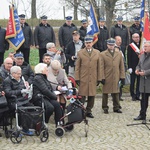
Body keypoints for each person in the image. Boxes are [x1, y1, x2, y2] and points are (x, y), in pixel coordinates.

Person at [75, 36, 101, 118]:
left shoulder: (97, 52)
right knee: (82, 95)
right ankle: (81, 110)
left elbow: (99, 67)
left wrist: (99, 78)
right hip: (84, 77)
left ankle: (89, 110)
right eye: (86, 43)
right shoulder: (80, 53)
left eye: (89, 43)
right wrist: (77, 78)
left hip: (93, 77)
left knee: (92, 95)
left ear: (92, 43)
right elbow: (77, 67)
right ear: (84, 43)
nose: (88, 44)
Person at [3, 66, 34, 135]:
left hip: (22, 100)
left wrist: (27, 89)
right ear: (13, 74)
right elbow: (8, 93)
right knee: (22, 110)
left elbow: (22, 88)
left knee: (32, 108)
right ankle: (23, 128)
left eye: (20, 74)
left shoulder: (21, 79)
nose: (20, 75)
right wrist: (20, 91)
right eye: (18, 74)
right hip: (12, 101)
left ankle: (30, 126)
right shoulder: (7, 81)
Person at [100, 38, 125, 114]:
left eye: (112, 45)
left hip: (116, 75)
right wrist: (102, 77)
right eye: (110, 45)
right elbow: (101, 67)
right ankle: (105, 107)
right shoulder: (103, 54)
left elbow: (121, 66)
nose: (111, 46)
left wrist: (122, 76)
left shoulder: (119, 54)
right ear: (107, 45)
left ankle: (116, 107)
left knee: (116, 92)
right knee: (105, 92)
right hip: (107, 75)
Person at [134, 41, 150, 120]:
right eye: (144, 46)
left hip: (149, 80)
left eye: (146, 46)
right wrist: (137, 70)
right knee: (143, 100)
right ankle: (142, 114)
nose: (145, 48)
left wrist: (145, 72)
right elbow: (138, 65)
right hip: (143, 82)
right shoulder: (142, 56)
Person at [127, 33, 140, 101]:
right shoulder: (130, 46)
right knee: (132, 82)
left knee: (139, 82)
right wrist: (129, 67)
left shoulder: (141, 45)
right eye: (135, 37)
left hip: (140, 67)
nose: (137, 38)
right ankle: (132, 95)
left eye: (138, 37)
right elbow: (129, 57)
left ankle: (138, 94)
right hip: (133, 66)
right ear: (132, 38)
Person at [115, 36, 127, 101]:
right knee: (117, 83)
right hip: (117, 69)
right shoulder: (114, 48)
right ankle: (116, 96)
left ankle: (119, 96)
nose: (120, 41)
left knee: (121, 83)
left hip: (122, 68)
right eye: (118, 40)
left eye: (120, 40)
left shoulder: (120, 48)